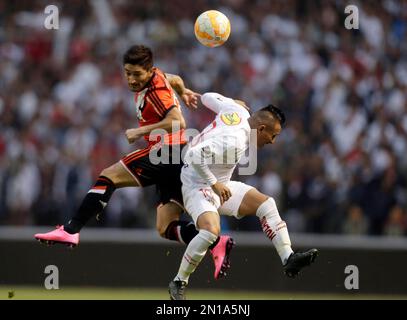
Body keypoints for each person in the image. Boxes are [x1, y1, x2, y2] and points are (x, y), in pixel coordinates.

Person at [34, 45, 234, 280]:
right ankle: (215, 243)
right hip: (178, 160)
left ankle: (71, 229)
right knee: (165, 227)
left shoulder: (155, 90)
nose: (131, 79)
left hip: (167, 153)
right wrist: (185, 91)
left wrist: (141, 132)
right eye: (127, 72)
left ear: (149, 72)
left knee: (109, 176)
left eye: (136, 74)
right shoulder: (157, 76)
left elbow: (177, 121)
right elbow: (176, 79)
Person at [168, 92, 318, 300]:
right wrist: (216, 185)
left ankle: (288, 257)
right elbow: (193, 155)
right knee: (211, 231)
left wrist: (199, 95)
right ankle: (179, 281)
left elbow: (209, 98)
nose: (272, 142)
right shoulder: (235, 140)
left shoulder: (237, 111)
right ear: (262, 129)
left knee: (266, 204)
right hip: (196, 184)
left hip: (218, 182)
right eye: (272, 136)